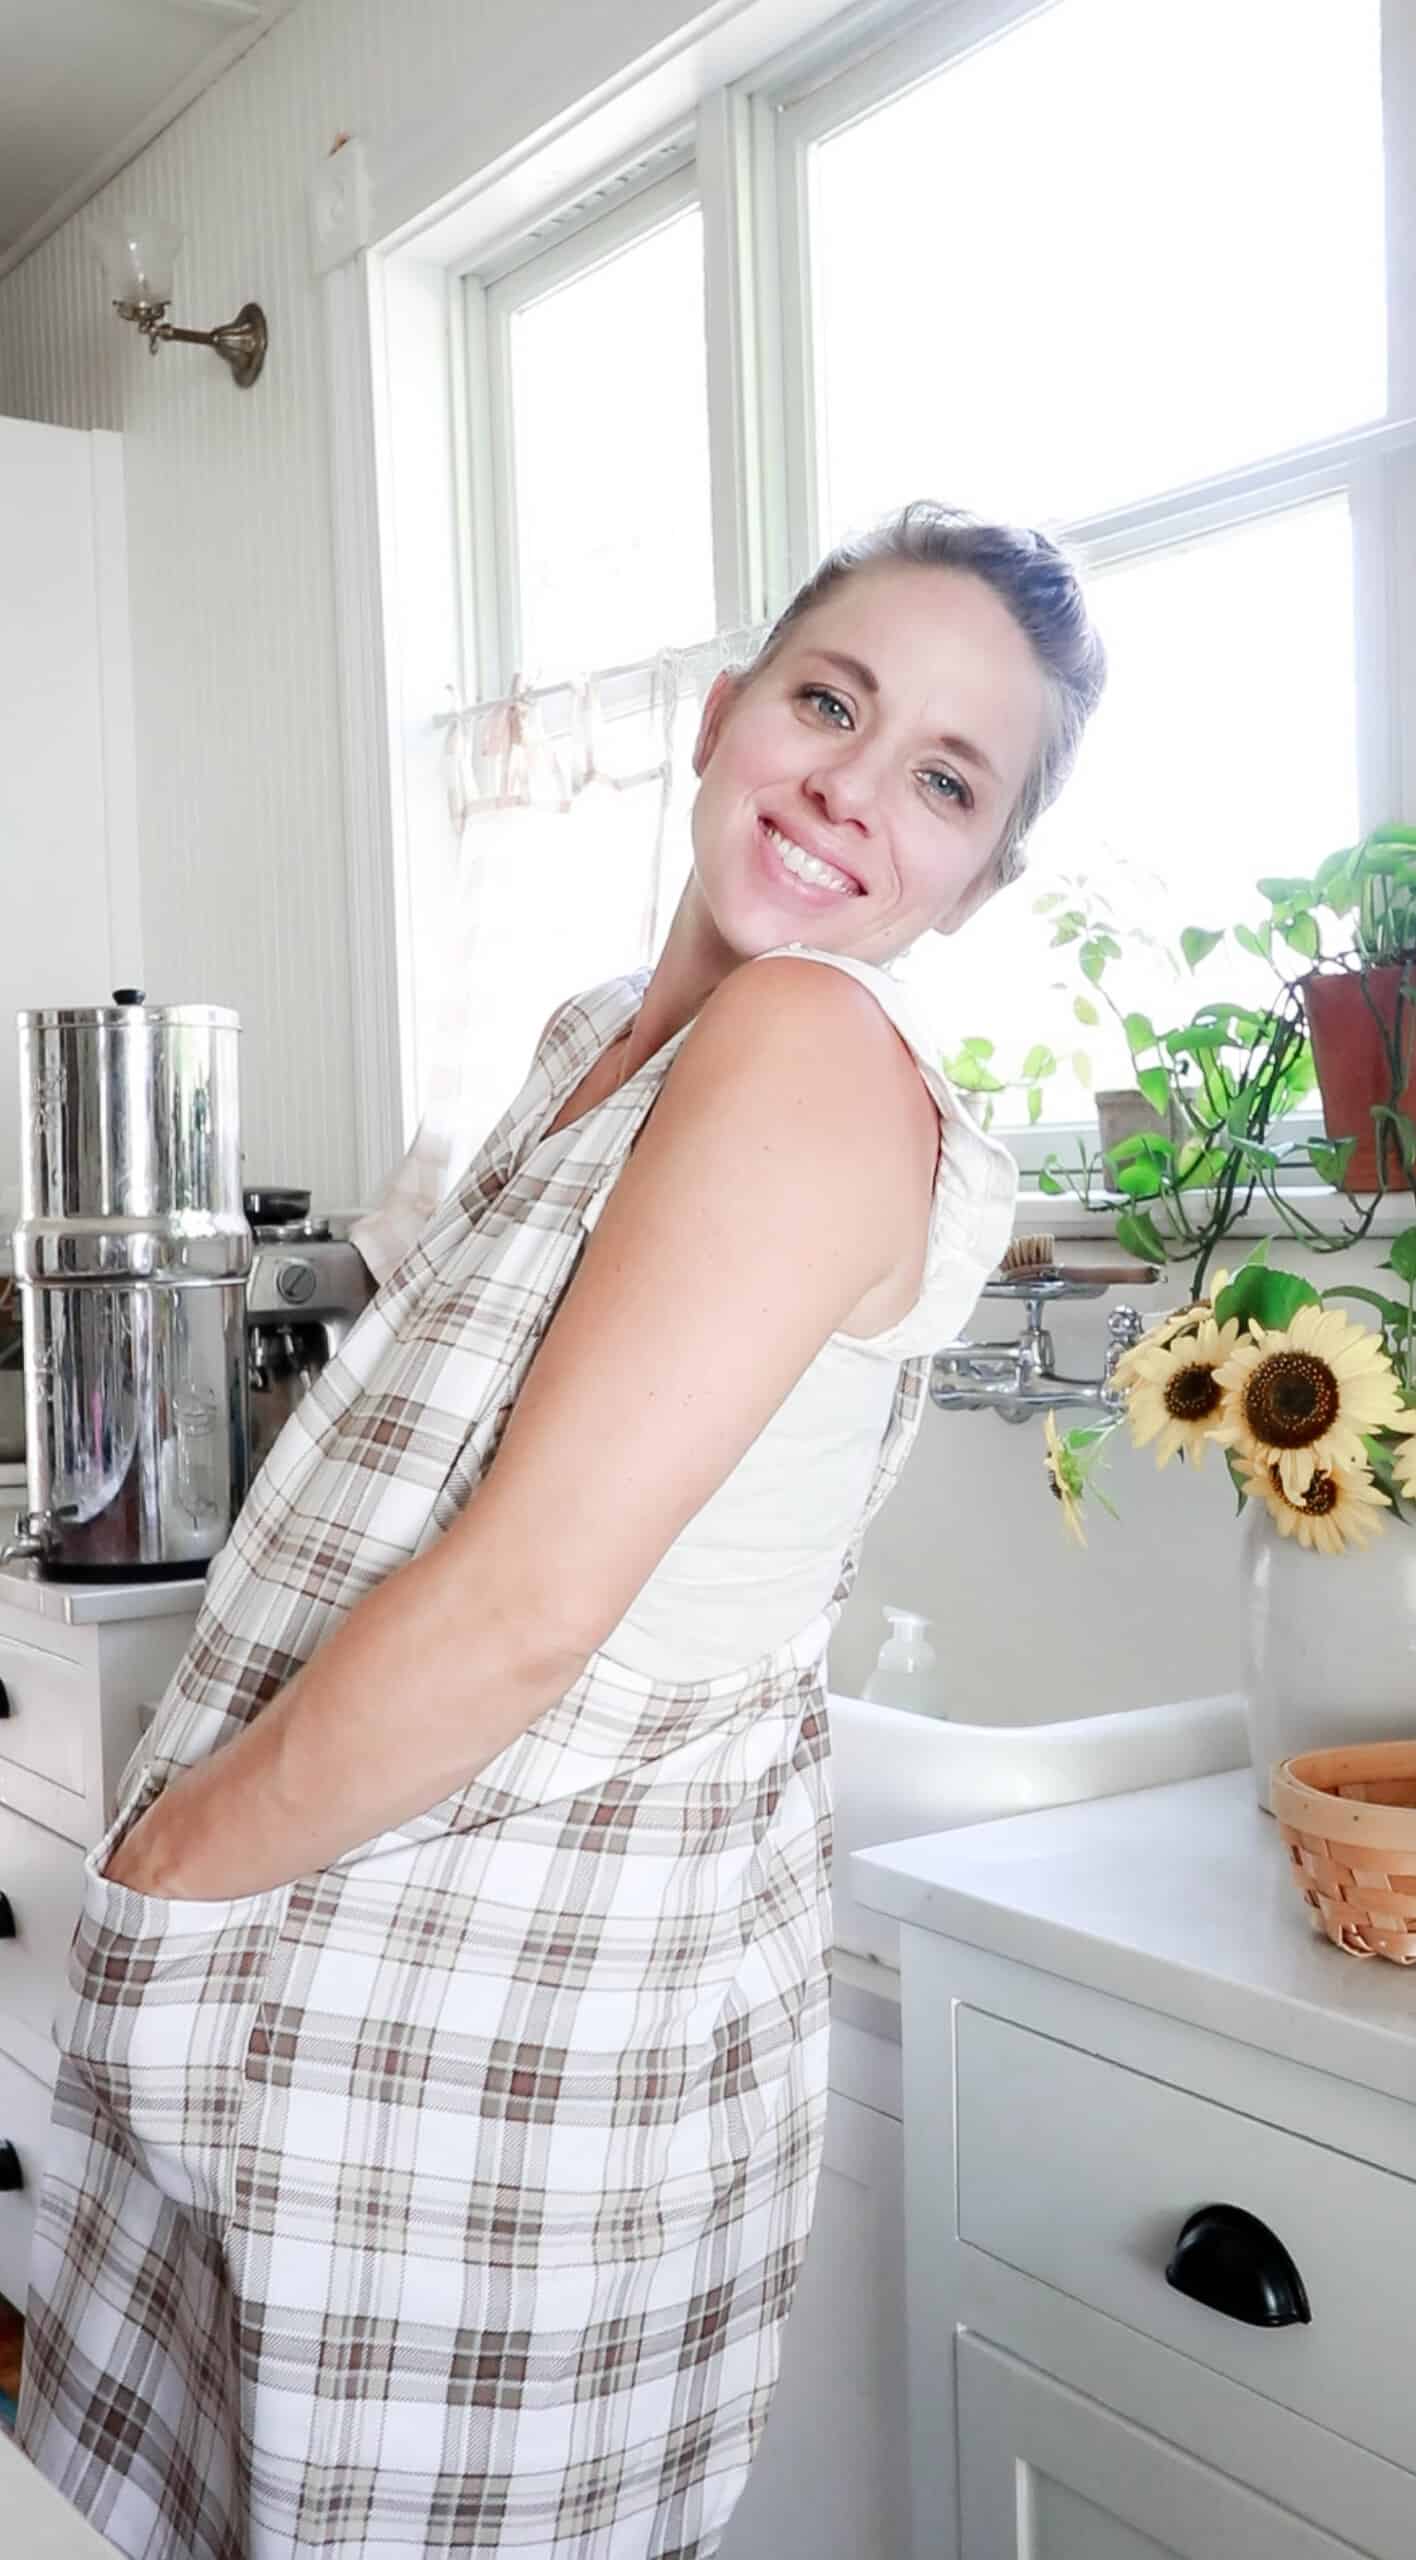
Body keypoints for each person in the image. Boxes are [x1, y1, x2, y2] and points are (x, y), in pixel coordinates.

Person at [18, 501, 1105, 2559]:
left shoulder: (806, 1050)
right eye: (830, 701)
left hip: (507, 2060)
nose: (853, 790)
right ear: (721, 716)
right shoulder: (596, 1035)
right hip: (350, 1980)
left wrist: (158, 1871)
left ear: (977, 879)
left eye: (945, 780)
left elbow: (524, 1605)